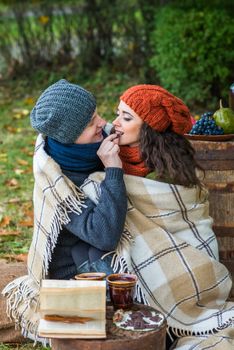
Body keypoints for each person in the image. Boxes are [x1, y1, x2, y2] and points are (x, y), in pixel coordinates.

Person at [82, 85, 234, 349]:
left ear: (150, 128)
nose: (116, 123)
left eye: (127, 118)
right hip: (127, 262)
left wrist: (112, 173)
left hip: (181, 261)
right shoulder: (112, 150)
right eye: (117, 114)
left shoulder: (167, 170)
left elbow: (183, 221)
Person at [2, 79, 128, 342]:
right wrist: (113, 169)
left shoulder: (90, 145)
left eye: (96, 114)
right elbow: (104, 235)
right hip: (77, 277)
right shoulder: (58, 183)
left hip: (98, 255)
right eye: (91, 121)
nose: (101, 123)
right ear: (69, 137)